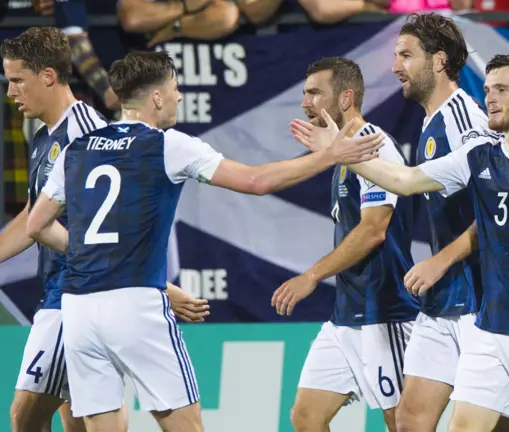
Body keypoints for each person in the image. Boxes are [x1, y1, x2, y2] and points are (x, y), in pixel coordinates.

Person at [25, 50, 383, 432]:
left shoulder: (78, 149)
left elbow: (37, 226)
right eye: (175, 89)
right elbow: (256, 181)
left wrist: (92, 255)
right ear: (156, 97)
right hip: (136, 307)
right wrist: (329, 156)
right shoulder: (167, 144)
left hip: (79, 309)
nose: (179, 97)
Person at [296, 50, 509, 432]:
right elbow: (406, 180)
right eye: (487, 89)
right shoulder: (478, 154)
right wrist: (340, 152)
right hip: (489, 325)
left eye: (502, 89)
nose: (490, 98)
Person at [291, 13, 509, 431]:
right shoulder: (432, 121)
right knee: (411, 420)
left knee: (495, 424)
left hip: (479, 301)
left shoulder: (464, 118)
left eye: (406, 55)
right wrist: (339, 153)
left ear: (439, 61)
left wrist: (441, 260)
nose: (395, 66)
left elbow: (499, 211)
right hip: (442, 302)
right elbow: (406, 181)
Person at [0, 27, 207, 432]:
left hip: (77, 291)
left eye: (17, 80)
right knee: (76, 419)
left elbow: (115, 230)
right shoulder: (44, 136)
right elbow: (32, 217)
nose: (10, 92)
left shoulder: (87, 134)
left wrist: (160, 286)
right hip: (66, 294)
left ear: (47, 76)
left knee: (25, 414)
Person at [272, 57, 419, 432]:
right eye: (305, 93)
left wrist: (310, 276)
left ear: (345, 98)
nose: (305, 102)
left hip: (384, 310)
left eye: (314, 93)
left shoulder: (373, 146)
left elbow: (374, 230)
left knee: (401, 423)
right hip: (347, 315)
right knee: (306, 417)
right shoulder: (342, 152)